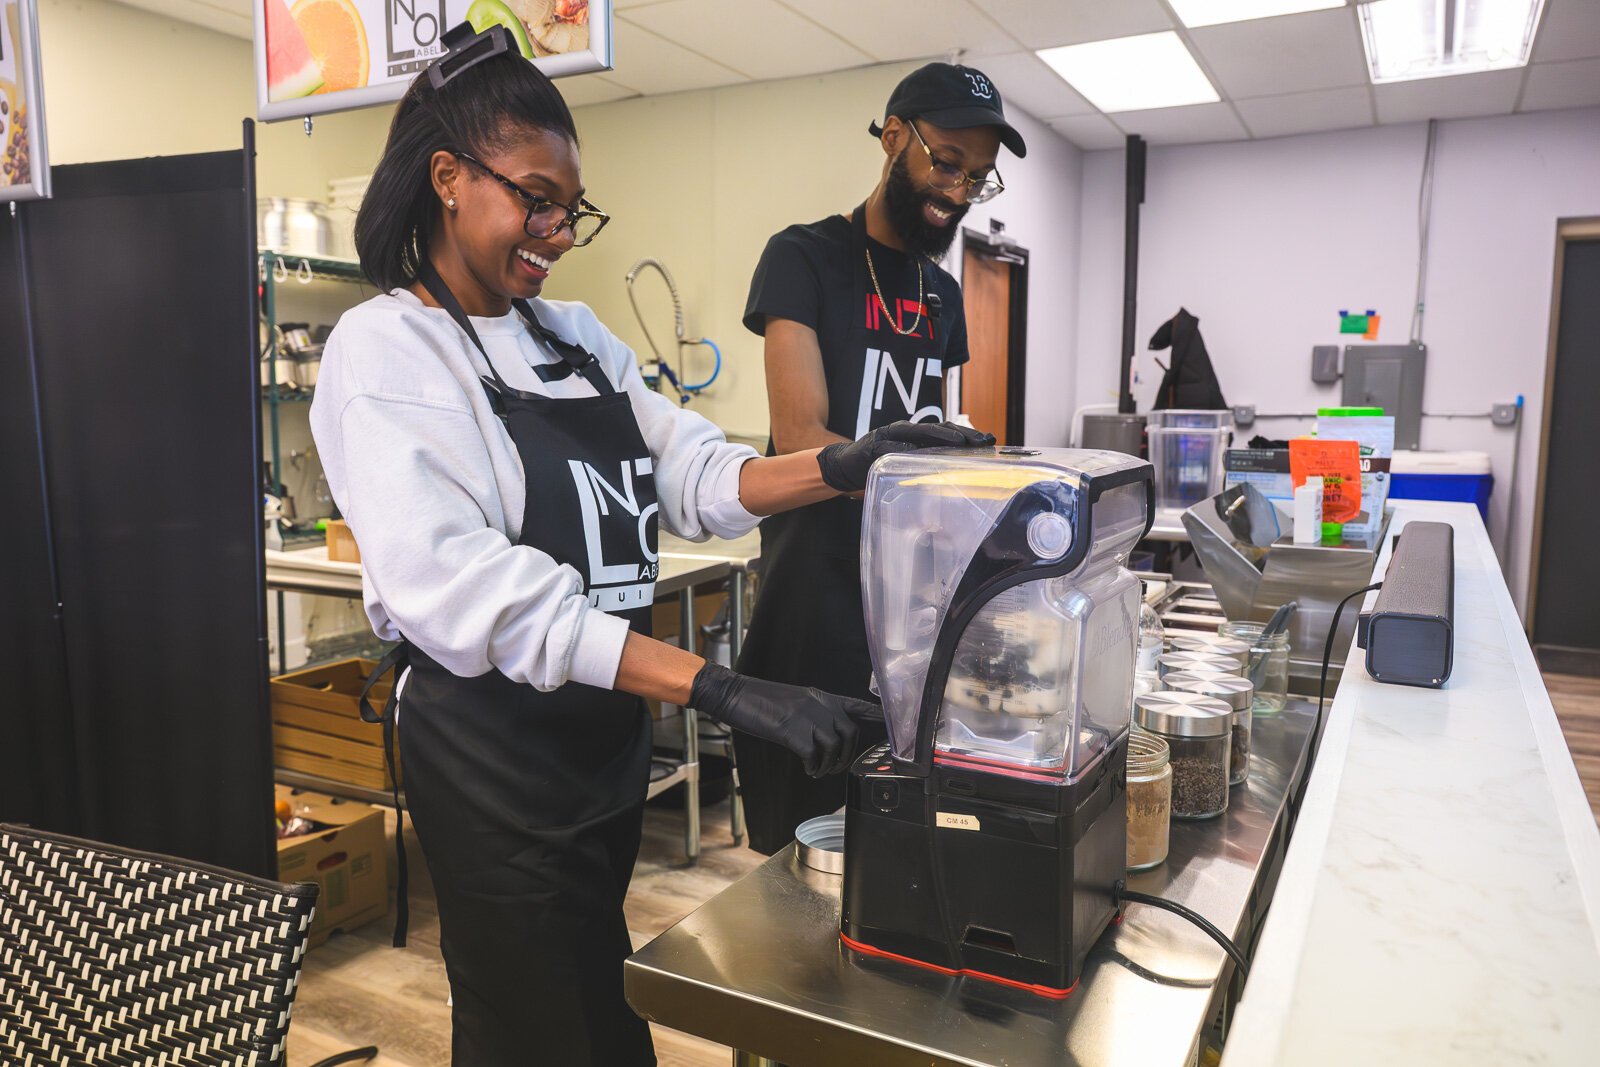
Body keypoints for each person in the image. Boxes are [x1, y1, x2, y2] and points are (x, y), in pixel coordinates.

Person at [309, 25, 988, 1066]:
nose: (555, 231)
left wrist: (849, 464)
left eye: (567, 208)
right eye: (533, 198)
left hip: (598, 742)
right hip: (496, 752)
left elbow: (700, 477)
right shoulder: (389, 349)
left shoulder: (573, 335)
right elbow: (476, 590)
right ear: (448, 177)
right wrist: (714, 688)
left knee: (587, 989)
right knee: (539, 1022)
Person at [733, 62, 1025, 854]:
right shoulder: (804, 259)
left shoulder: (943, 295)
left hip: (907, 621)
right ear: (894, 138)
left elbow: (937, 427)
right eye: (946, 162)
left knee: (897, 855)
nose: (959, 190)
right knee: (797, 866)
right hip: (812, 612)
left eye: (978, 177)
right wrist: (907, 472)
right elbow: (800, 437)